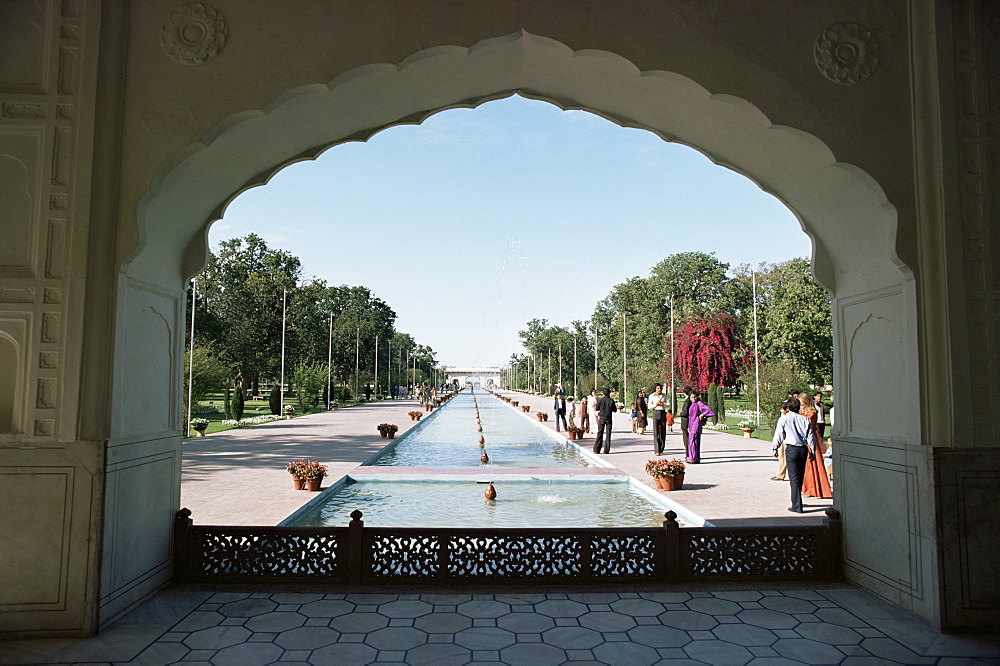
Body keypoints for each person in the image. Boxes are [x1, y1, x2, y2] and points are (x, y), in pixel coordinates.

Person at [771, 397, 817, 513]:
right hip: (803, 449)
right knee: (800, 476)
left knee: (793, 478)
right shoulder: (805, 420)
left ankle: (796, 505)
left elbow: (779, 435)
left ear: (789, 408)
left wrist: (775, 448)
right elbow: (810, 437)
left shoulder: (784, 419)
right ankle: (797, 502)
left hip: (791, 448)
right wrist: (812, 451)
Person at [799, 392, 832, 499]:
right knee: (806, 466)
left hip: (810, 440)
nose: (801, 405)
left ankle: (816, 489)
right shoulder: (801, 411)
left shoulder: (812, 412)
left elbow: (807, 424)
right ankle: (808, 488)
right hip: (803, 440)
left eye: (802, 403)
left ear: (806, 402)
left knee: (812, 464)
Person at [685, 390, 714, 463]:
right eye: (692, 397)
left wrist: (702, 415)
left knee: (693, 441)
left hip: (696, 423)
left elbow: (708, 410)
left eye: (695, 397)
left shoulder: (699, 403)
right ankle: (696, 457)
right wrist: (688, 426)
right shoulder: (692, 404)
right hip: (691, 424)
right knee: (694, 441)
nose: (694, 399)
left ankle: (693, 458)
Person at [647, 384, 669, 455]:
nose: (659, 390)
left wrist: (663, 404)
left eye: (660, 388)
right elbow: (649, 406)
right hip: (656, 412)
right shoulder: (651, 396)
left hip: (662, 412)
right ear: (655, 389)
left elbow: (669, 404)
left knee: (663, 431)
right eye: (658, 388)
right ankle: (657, 450)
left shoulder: (664, 396)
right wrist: (656, 404)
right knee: (656, 432)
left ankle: (662, 448)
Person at [593, 388, 616, 454]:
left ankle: (597, 449)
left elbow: (597, 408)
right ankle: (606, 450)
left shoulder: (600, 400)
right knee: (608, 434)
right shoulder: (611, 401)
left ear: (603, 393)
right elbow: (614, 410)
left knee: (600, 433)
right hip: (609, 419)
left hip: (602, 418)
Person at [678, 386, 693, 453]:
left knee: (686, 439)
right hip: (690, 421)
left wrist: (680, 414)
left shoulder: (687, 401)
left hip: (685, 422)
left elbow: (685, 412)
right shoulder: (692, 400)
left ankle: (688, 453)